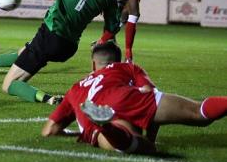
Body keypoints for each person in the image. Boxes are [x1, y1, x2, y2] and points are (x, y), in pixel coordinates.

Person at [42, 41, 227, 154]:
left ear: (93, 63)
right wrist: (151, 136)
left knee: (128, 144)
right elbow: (148, 91)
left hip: (92, 110)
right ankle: (108, 126)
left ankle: (104, 125)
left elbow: (49, 130)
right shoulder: (127, 67)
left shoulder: (75, 87)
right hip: (125, 97)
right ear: (118, 60)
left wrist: (75, 133)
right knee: (198, 112)